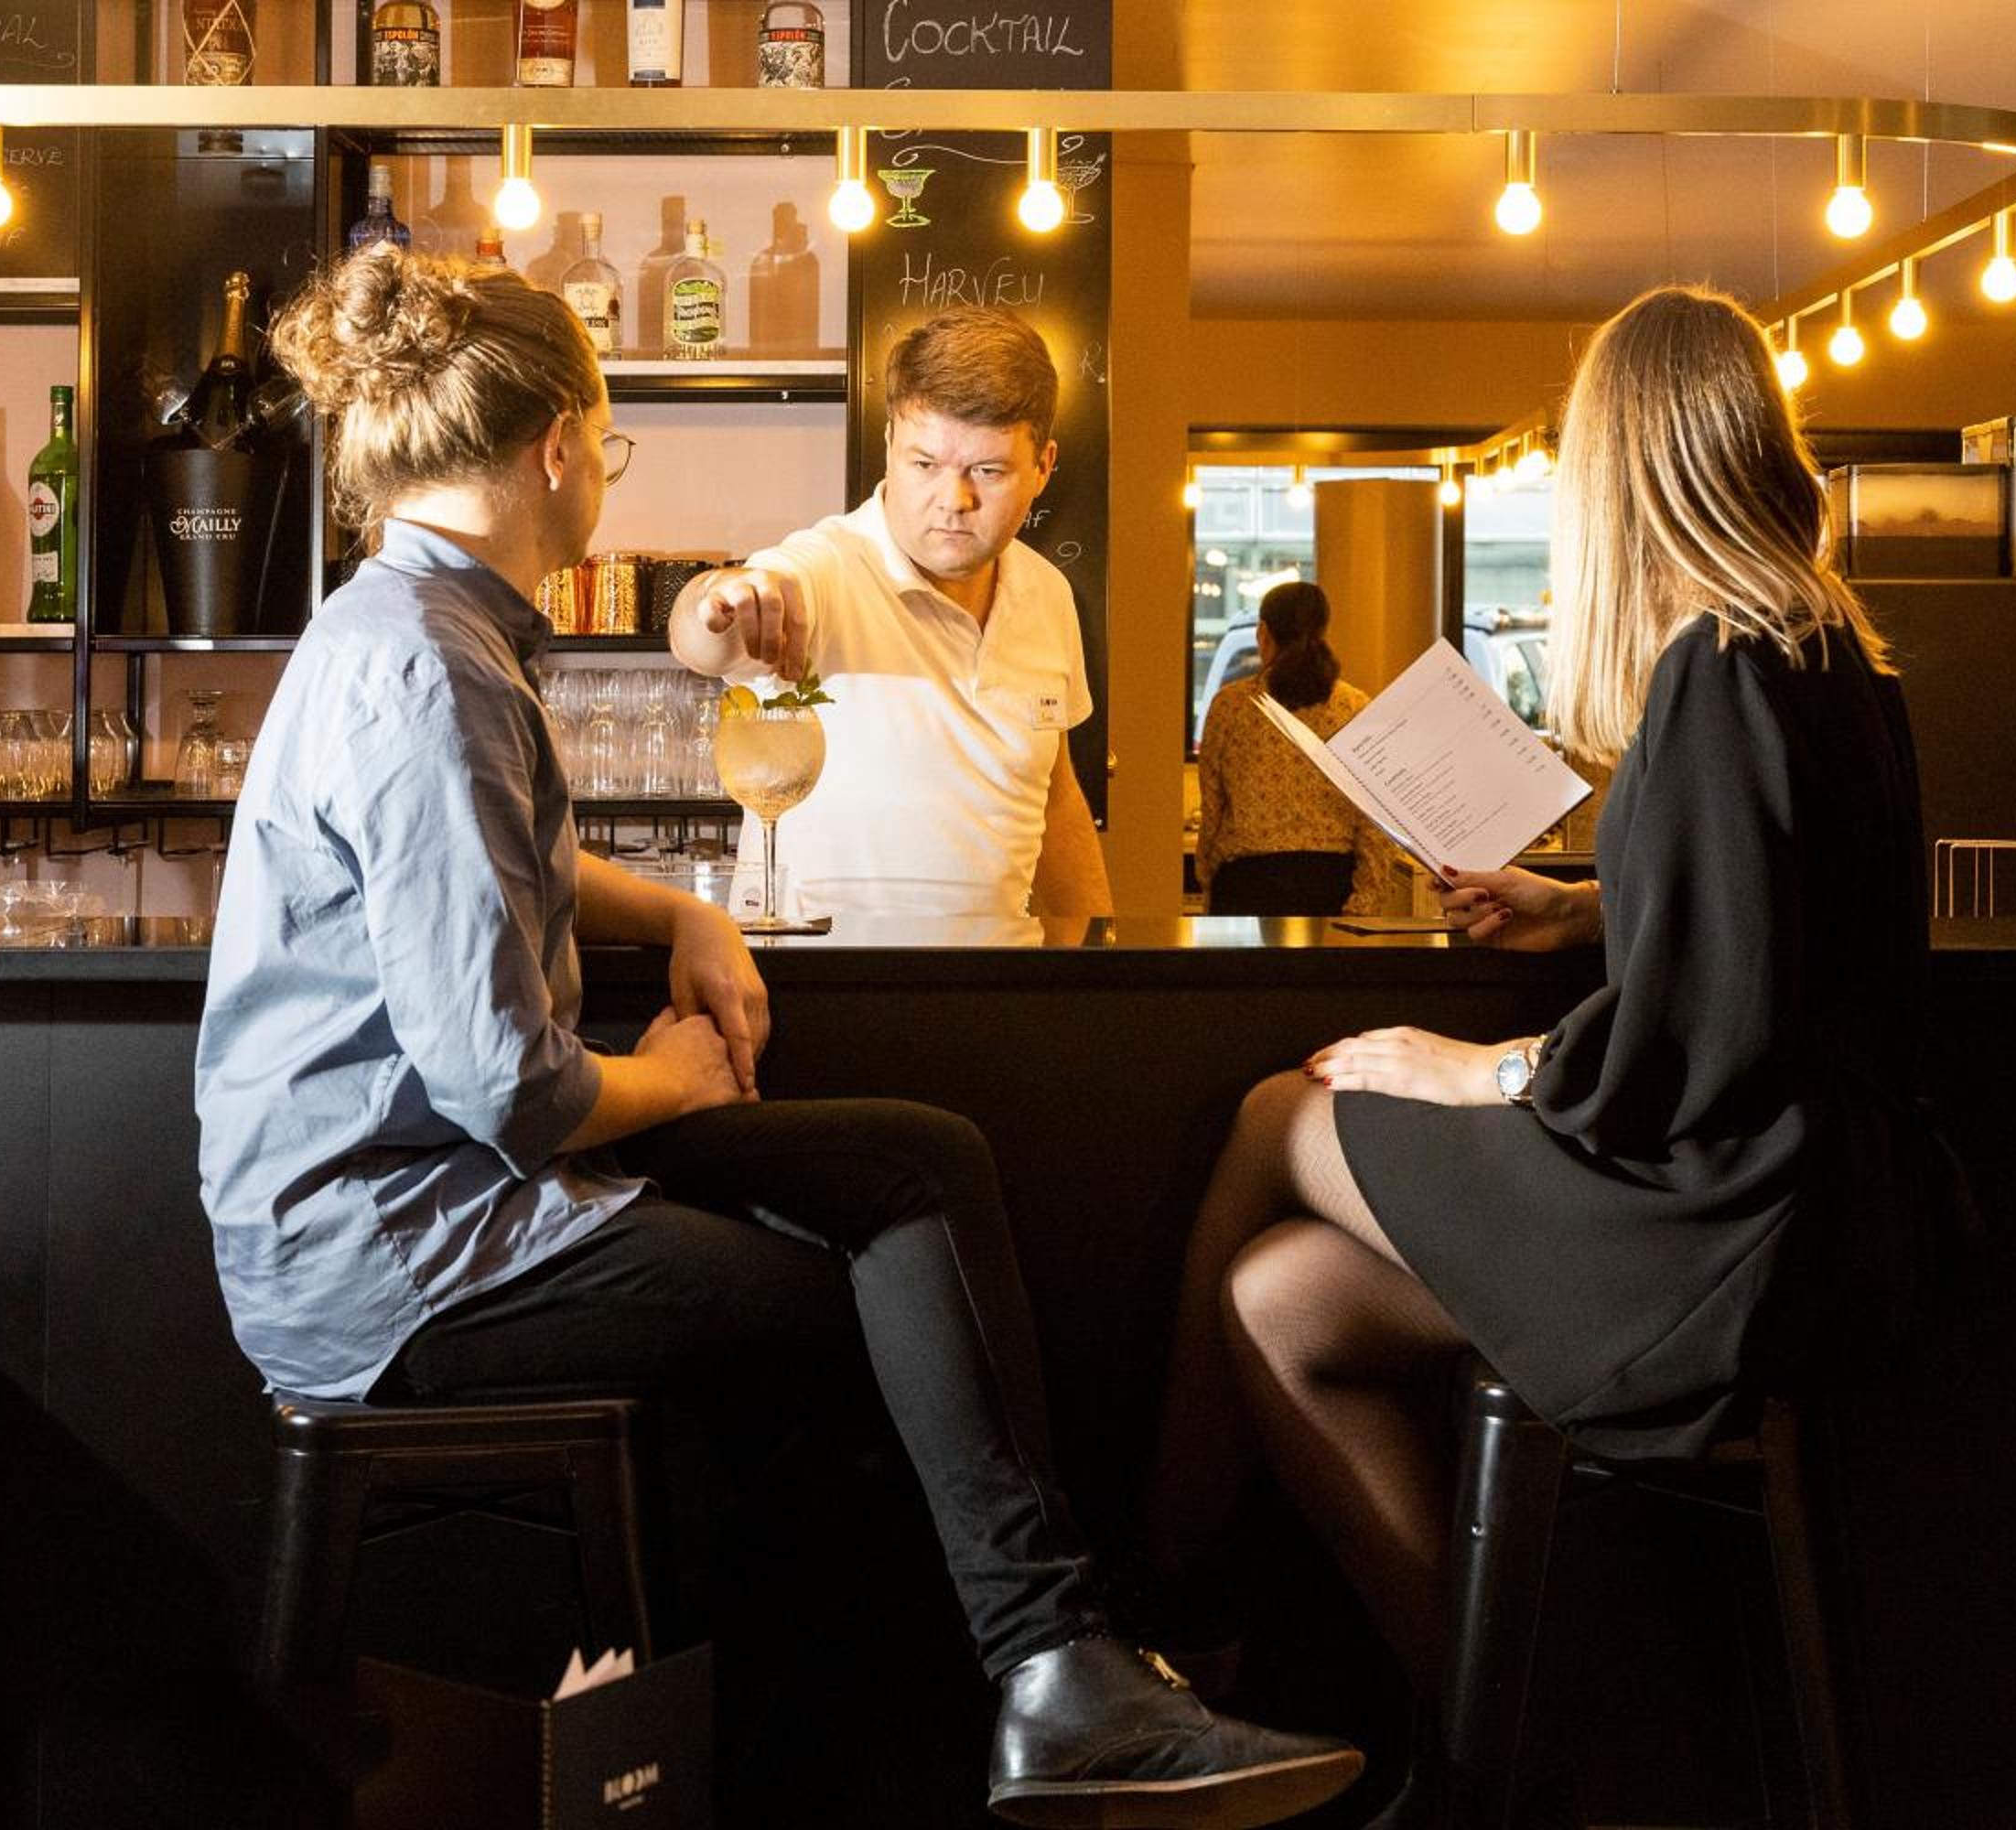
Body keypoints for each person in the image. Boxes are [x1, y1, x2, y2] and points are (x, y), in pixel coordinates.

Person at [193, 251, 1359, 1829]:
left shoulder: (420, 626)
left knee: (920, 1169)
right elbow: (504, 1086)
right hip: (408, 1252)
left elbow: (510, 868)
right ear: (558, 447)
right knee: (887, 1332)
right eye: (608, 445)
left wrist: (681, 910)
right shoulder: (429, 669)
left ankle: (1037, 1682)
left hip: (421, 1202)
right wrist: (670, 1078)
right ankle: (956, 1704)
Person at [1141, 285, 1967, 1816]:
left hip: (1724, 1219)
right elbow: (1768, 924)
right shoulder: (1821, 644)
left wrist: (1483, 1068)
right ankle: (1522, 1766)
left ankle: (1158, 1622)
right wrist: (1580, 906)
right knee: (1282, 1300)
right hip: (1814, 1216)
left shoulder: (1720, 659)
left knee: (1277, 1115)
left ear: (1621, 464)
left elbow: (1705, 1025)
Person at [667, 304, 1114, 921]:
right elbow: (700, 640)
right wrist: (718, 597)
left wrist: (1096, 961)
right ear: (889, 446)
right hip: (826, 973)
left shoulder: (1047, 593)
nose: (954, 500)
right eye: (924, 465)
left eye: (987, 471)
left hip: (1000, 971)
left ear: (1044, 466)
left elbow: (1055, 798)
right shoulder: (823, 567)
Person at [1196, 581, 1397, 916]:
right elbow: (1375, 820)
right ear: (1323, 632)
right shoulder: (1355, 707)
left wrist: (1207, 878)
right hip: (1329, 885)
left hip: (1245, 885)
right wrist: (1364, 901)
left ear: (1263, 633)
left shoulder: (1230, 706)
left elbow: (1213, 809)